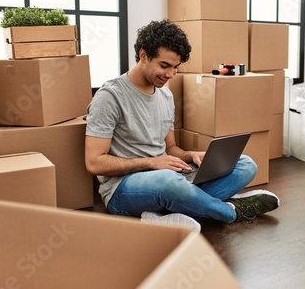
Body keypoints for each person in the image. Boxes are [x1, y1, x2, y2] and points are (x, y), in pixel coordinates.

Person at [85, 19, 279, 232]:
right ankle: (230, 212)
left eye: (175, 68)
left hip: (169, 175)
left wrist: (191, 155)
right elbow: (95, 163)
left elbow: (171, 149)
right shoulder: (110, 96)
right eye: (164, 65)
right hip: (123, 189)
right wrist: (151, 163)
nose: (170, 75)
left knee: (246, 164)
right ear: (143, 55)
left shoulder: (166, 95)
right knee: (168, 182)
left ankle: (168, 214)